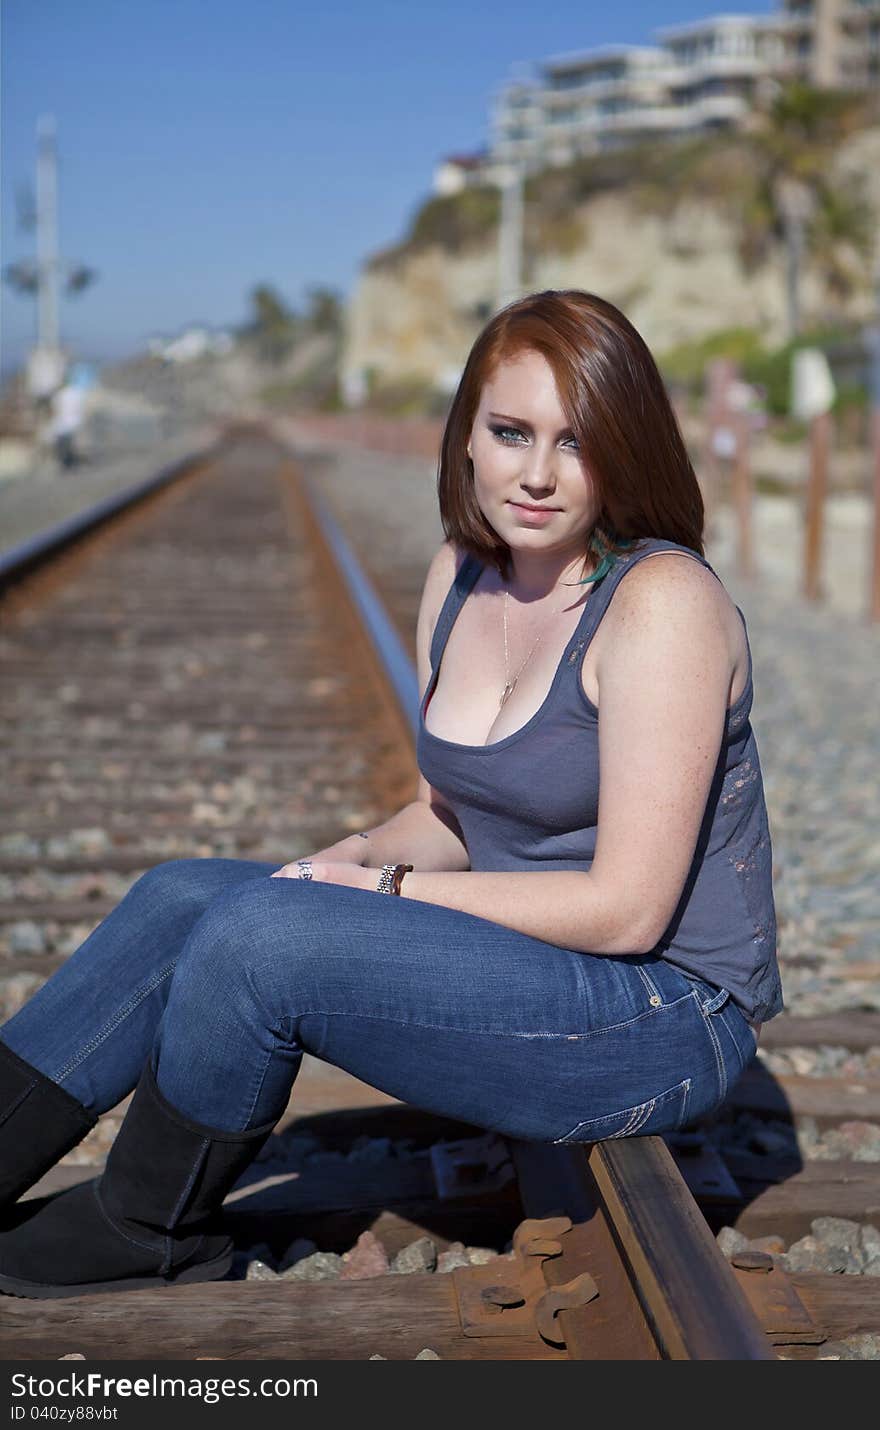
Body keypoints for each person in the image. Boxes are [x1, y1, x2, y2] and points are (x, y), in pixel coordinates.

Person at [0, 290, 783, 1300]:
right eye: (510, 432)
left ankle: (148, 1225)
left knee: (260, 943)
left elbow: (626, 910)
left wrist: (376, 896)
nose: (537, 474)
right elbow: (451, 816)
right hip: (529, 955)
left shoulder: (660, 604)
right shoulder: (462, 575)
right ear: (466, 437)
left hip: (658, 1010)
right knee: (185, 895)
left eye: (575, 442)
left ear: (625, 450)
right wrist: (341, 861)